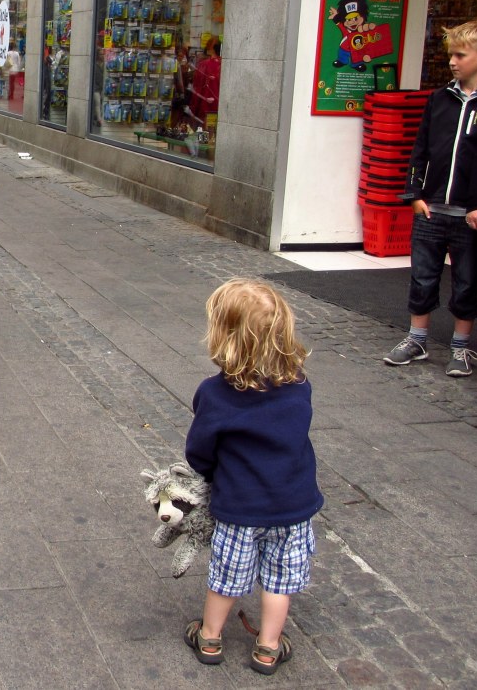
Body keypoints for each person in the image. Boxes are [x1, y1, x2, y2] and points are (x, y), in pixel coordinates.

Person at [183, 278, 322, 677]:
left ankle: (210, 637)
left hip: (240, 507)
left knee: (226, 577)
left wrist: (209, 475)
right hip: (293, 507)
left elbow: (199, 451)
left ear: (224, 338)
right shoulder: (299, 387)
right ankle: (268, 646)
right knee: (279, 581)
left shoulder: (214, 393)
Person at [383, 20, 477, 378]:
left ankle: (461, 347)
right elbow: (420, 149)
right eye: (450, 54)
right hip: (431, 208)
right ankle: (417, 338)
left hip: (470, 214)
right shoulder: (439, 99)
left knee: (467, 280)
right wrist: (414, 194)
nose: (453, 61)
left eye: (461, 54)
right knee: (423, 276)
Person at [190, 37, 221, 126]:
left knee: (205, 135)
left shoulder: (204, 64)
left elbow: (197, 87)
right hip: (220, 107)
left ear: (211, 49)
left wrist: (193, 108)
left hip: (205, 106)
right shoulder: (225, 64)